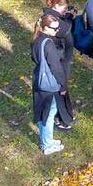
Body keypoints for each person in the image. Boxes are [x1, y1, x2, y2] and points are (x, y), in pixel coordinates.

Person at [32, 14, 67, 155]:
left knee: (41, 113)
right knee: (49, 114)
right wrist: (63, 85)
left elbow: (34, 58)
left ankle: (46, 140)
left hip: (38, 80)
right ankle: (47, 145)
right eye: (54, 29)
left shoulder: (36, 39)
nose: (57, 31)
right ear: (45, 28)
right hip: (48, 83)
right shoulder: (49, 44)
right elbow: (56, 68)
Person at [43, 0, 76, 129]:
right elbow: (64, 30)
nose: (65, 10)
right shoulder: (51, 18)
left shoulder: (57, 16)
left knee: (63, 87)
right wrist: (69, 17)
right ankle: (60, 118)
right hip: (58, 58)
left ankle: (66, 115)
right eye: (64, 8)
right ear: (56, 5)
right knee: (60, 88)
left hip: (63, 58)